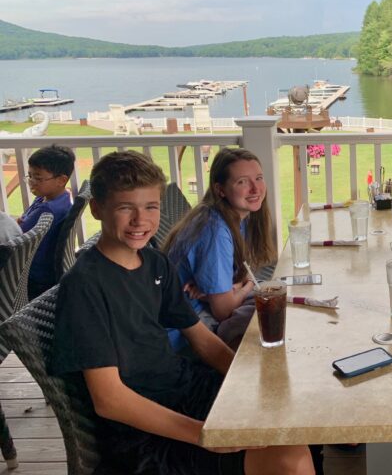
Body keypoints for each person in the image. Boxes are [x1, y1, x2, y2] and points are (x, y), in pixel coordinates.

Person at [51, 150, 314, 475]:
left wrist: (249, 380)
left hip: (187, 390)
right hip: (146, 432)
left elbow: (202, 340)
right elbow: (110, 399)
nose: (140, 220)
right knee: (288, 457)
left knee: (295, 415)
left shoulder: (155, 264)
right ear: (97, 208)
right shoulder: (85, 286)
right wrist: (203, 434)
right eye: (125, 208)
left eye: (151, 207)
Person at [164, 147, 277, 349]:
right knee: (270, 314)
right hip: (188, 330)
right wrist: (249, 284)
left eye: (259, 178)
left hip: (205, 311)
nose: (255, 189)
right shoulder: (214, 230)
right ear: (220, 189)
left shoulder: (234, 218)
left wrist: (232, 287)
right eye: (242, 181)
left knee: (276, 301)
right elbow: (223, 310)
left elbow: (239, 274)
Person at [18, 144, 75, 299]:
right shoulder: (59, 199)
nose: (31, 181)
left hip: (30, 277)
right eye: (29, 176)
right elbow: (23, 223)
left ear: (61, 180)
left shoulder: (48, 210)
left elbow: (16, 237)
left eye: (38, 177)